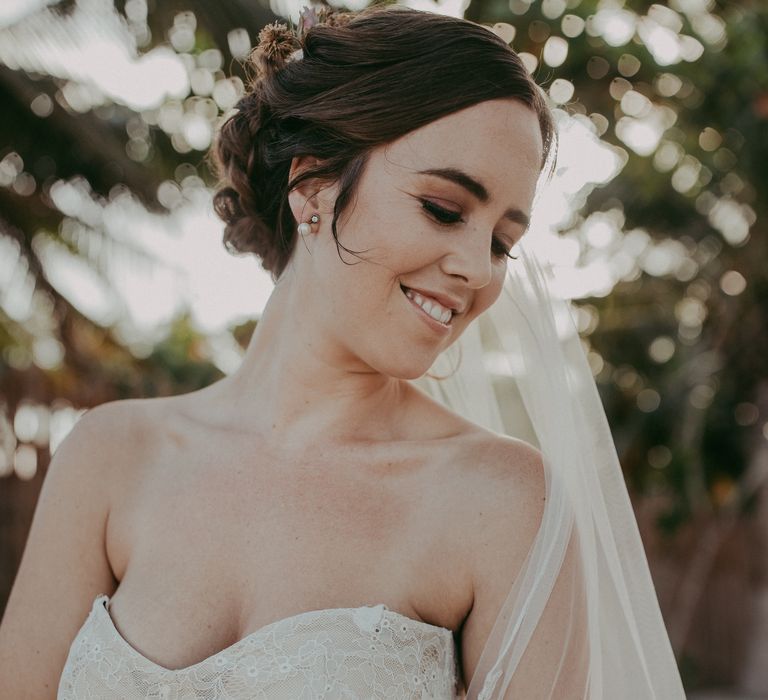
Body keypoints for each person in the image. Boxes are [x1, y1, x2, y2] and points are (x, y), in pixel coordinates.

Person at [0, 4, 686, 699]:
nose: (479, 270)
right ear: (312, 186)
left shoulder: (503, 504)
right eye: (445, 210)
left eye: (502, 241)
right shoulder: (111, 458)